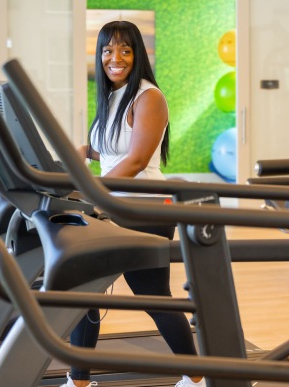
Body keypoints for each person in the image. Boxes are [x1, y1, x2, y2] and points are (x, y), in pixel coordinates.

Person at [66, 21, 204, 387]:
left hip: (143, 208)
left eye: (125, 50)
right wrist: (85, 152)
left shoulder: (149, 97)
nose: (116, 58)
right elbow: (114, 153)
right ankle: (78, 381)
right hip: (113, 206)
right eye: (108, 50)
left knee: (153, 296)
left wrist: (94, 191)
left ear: (137, 55)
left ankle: (197, 376)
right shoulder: (113, 95)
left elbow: (139, 159)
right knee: (87, 288)